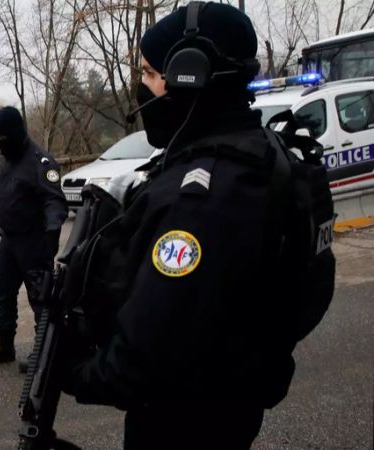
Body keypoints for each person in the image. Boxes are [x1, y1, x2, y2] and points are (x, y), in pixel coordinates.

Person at [61, 3, 335, 449]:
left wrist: (74, 371)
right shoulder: (255, 155)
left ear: (190, 75)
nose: (142, 87)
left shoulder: (204, 199)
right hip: (230, 400)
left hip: (187, 419)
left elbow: (146, 355)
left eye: (149, 73)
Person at [0, 106, 68, 369]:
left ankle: (44, 353)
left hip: (34, 241)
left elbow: (54, 201)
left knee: (40, 299)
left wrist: (52, 233)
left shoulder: (41, 162)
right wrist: (0, 215)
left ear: (16, 134)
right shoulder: (7, 160)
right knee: (2, 293)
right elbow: (10, 193)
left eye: (4, 140)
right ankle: (5, 345)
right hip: (9, 240)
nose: (0, 146)